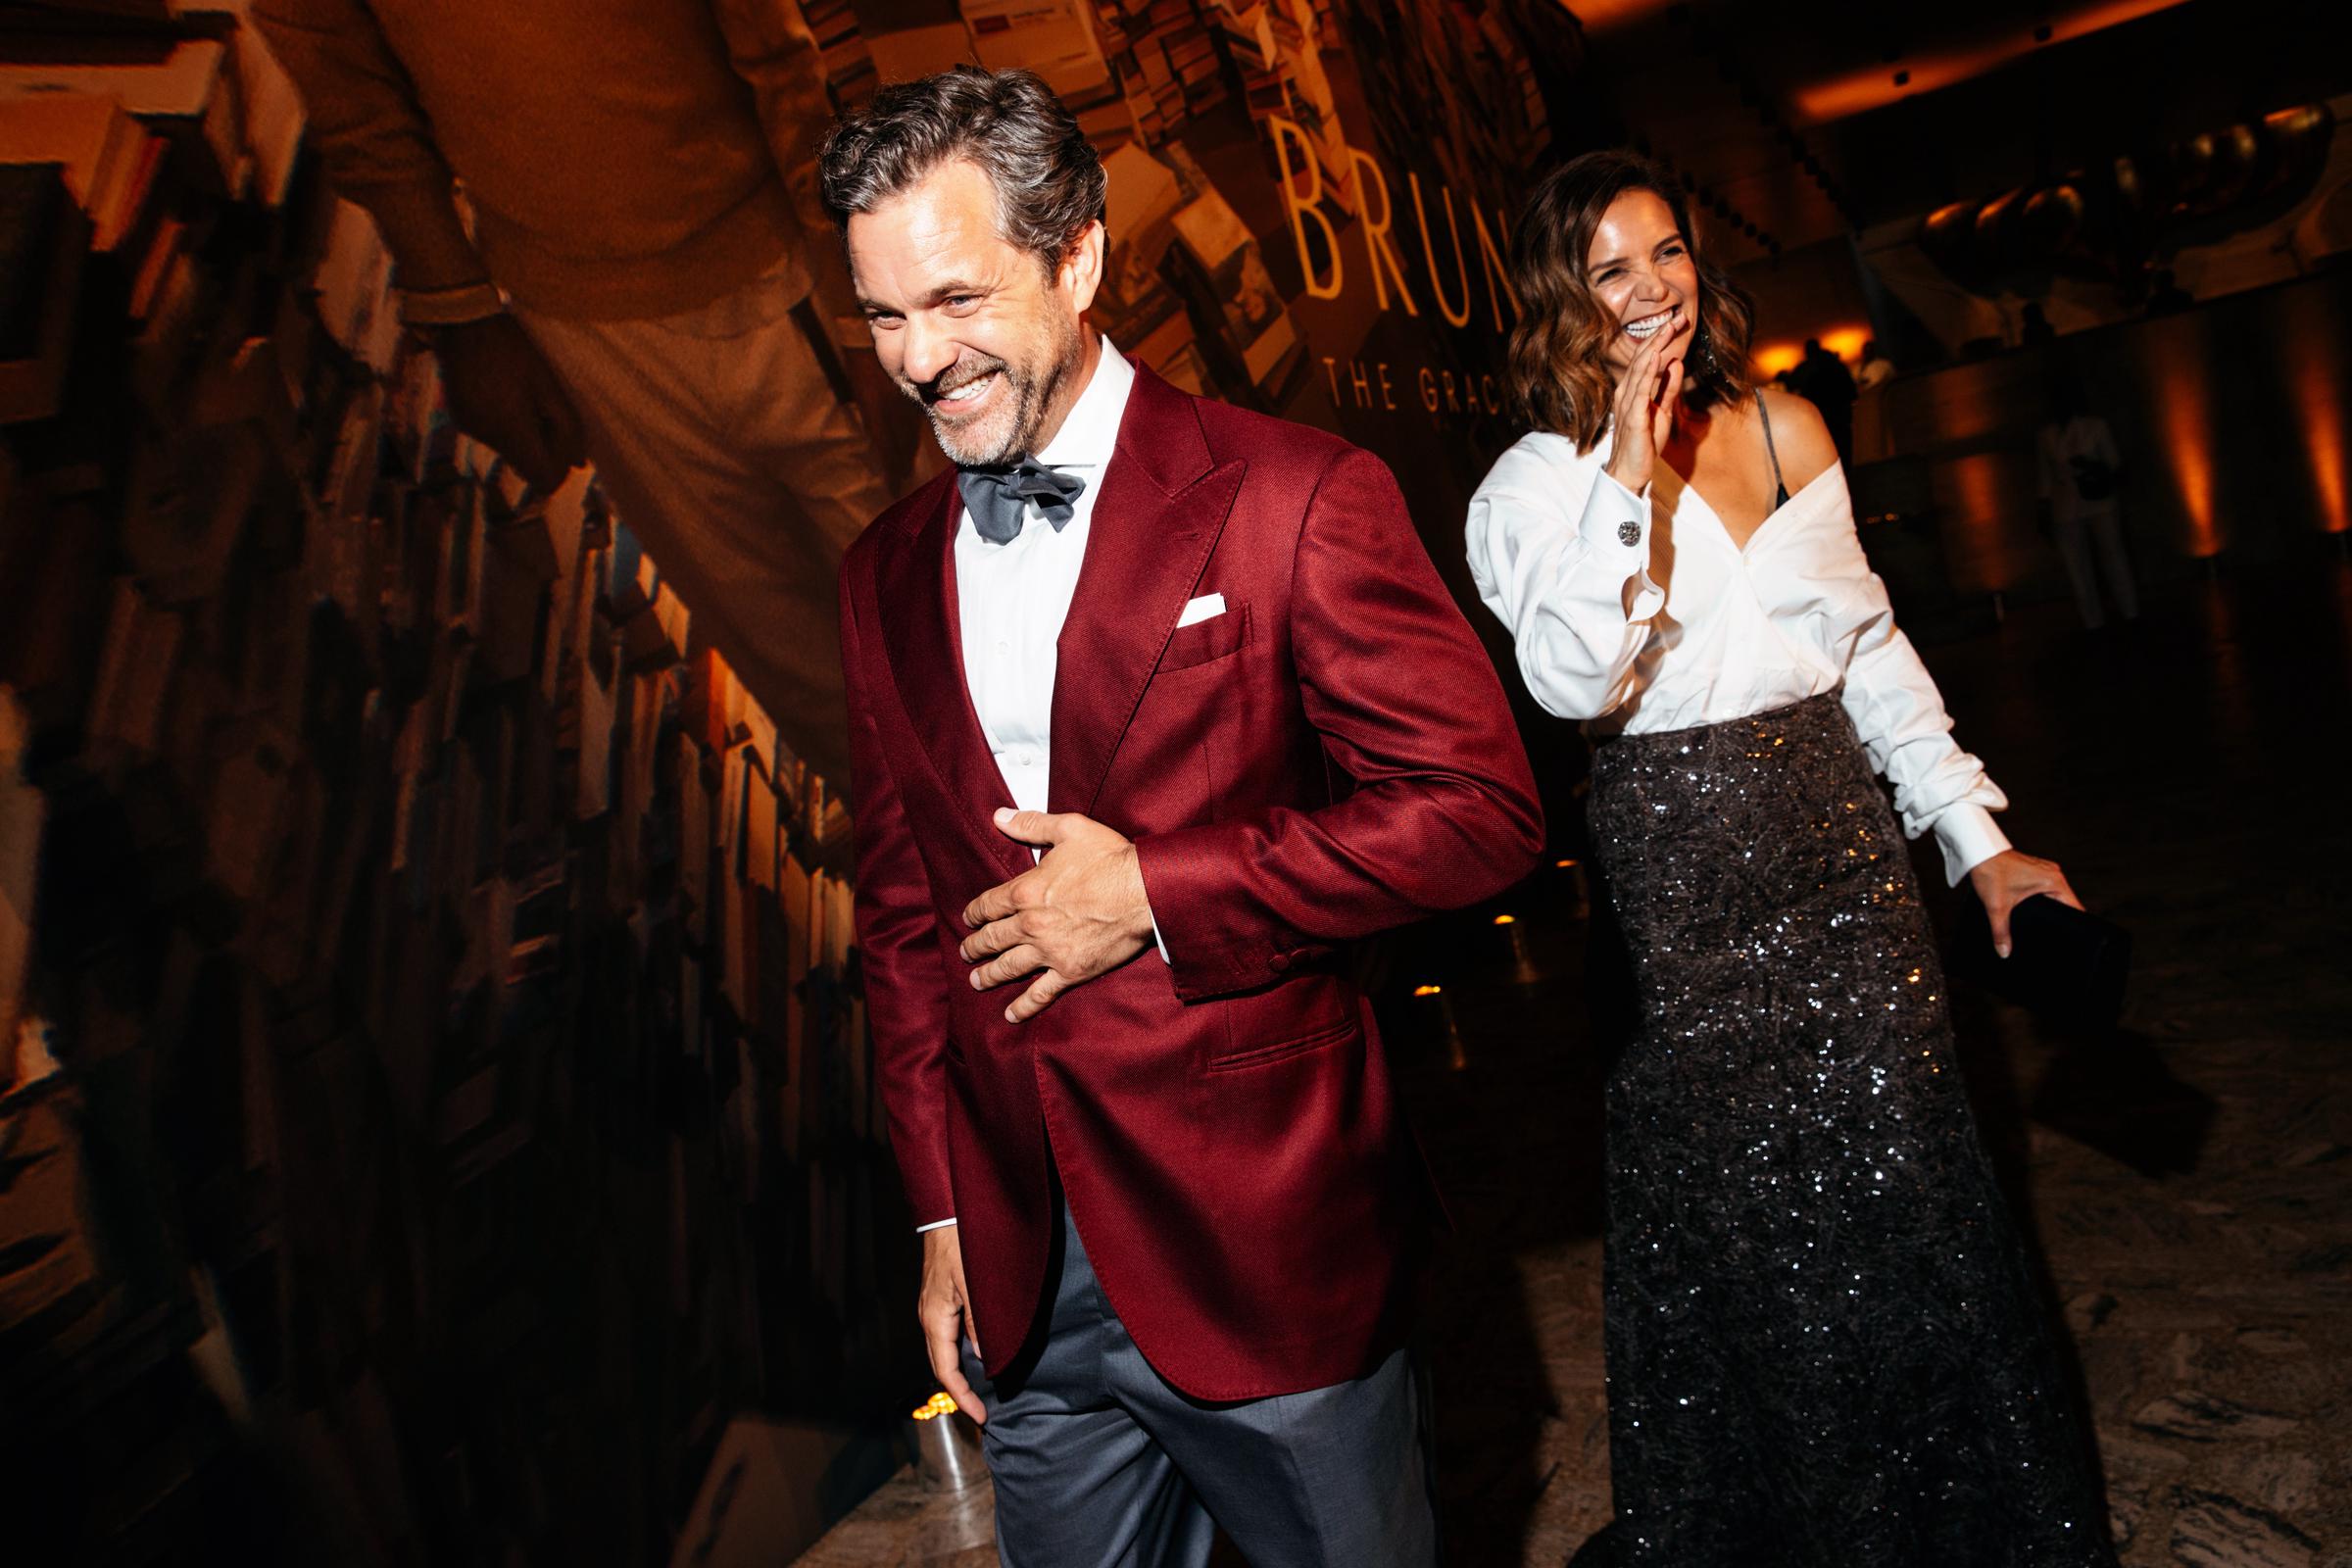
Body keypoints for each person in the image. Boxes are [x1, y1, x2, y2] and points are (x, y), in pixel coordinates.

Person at [824, 68, 1543, 1567]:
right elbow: (902, 927)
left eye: (955, 300)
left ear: (1076, 255)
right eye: (882, 315)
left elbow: (1477, 810)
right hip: (1030, 1286)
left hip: (1268, 1252)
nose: (917, 358)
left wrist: (1155, 890)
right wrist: (941, 1221)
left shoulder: (1292, 495)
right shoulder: (882, 573)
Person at [1465, 150, 2119, 1567]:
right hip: (1681, 890)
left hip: (1845, 865)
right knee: (1761, 1242)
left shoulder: (1777, 426)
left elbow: (1871, 654)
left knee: (1911, 1205)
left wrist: (1981, 847)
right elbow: (1576, 680)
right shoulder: (1525, 491)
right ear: (1559, 303)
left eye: (1669, 254)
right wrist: (1628, 468)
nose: (1653, 289)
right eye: (1612, 268)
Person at [251, 0, 898, 788]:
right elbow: (352, 95)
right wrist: (460, 314)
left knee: (951, 625)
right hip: (581, 328)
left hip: (769, 265)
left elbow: (777, 54)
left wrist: (857, 291)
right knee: (807, 679)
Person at [2038, 376, 2140, 629]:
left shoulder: (2095, 427)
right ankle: (2092, 623)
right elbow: (2044, 478)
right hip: (2066, 505)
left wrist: (2093, 467)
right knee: (2077, 569)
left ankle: (2131, 613)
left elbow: (2116, 465)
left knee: (2113, 557)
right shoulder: (2047, 436)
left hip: (2099, 499)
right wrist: (2043, 509)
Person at [1788, 334, 1857, 463]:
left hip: (1820, 415)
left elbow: (1792, 385)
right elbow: (1850, 388)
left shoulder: (1805, 368)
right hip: (1840, 411)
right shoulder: (1835, 364)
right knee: (1844, 444)